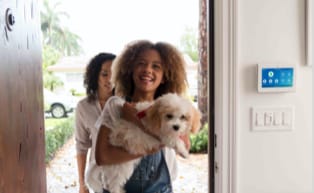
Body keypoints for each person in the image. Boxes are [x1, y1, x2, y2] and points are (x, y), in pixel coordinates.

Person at [95, 40, 190, 193]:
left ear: (164, 76)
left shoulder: (173, 110)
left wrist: (136, 120)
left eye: (156, 66)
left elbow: (184, 147)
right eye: (141, 63)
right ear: (130, 70)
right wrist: (151, 147)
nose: (147, 69)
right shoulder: (116, 106)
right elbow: (102, 157)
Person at [75, 53, 116, 193]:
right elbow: (81, 146)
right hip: (99, 178)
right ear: (95, 76)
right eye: (104, 74)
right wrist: (82, 184)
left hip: (126, 178)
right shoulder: (83, 107)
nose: (110, 79)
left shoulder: (126, 104)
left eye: (114, 73)